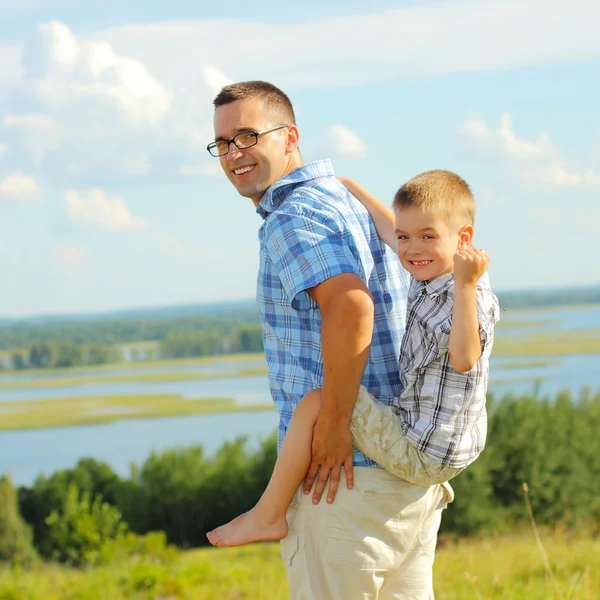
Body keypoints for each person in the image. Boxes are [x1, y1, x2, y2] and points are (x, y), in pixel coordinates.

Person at [207, 80, 453, 600]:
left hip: (340, 482)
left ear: (290, 136)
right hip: (399, 476)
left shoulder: (293, 215)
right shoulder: (342, 200)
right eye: (223, 143)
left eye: (248, 135)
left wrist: (336, 425)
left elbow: (350, 305)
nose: (235, 153)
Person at [207, 170, 499, 548]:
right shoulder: (431, 267)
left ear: (463, 239)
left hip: (425, 452)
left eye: (427, 236)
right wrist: (349, 186)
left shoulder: (465, 293)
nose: (412, 249)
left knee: (317, 403)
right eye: (405, 238)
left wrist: (465, 284)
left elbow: (464, 358)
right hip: (446, 442)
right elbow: (390, 227)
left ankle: (268, 514)